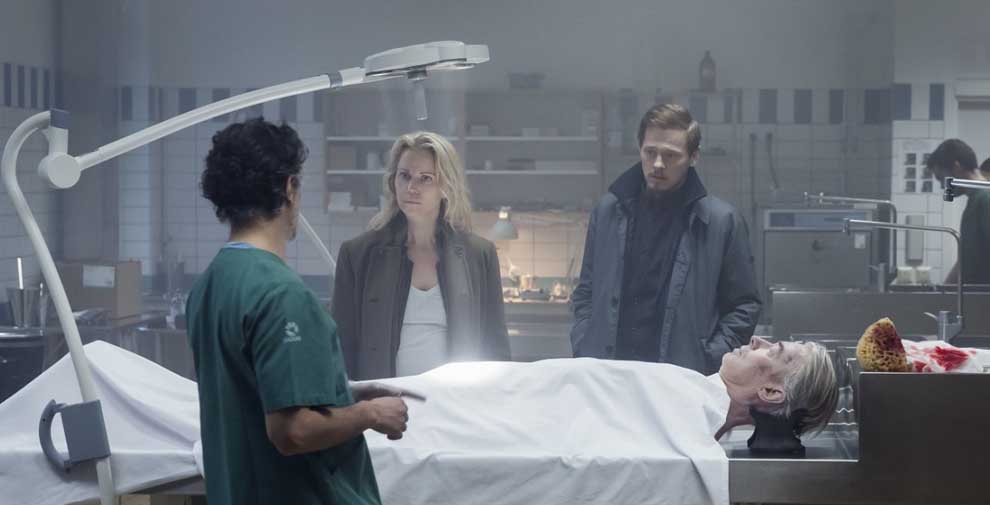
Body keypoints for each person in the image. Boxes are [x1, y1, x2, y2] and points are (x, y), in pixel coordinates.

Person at [186, 118, 410, 505]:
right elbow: (293, 431)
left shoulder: (209, 285)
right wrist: (371, 414)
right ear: (290, 188)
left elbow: (253, 392)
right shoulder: (281, 294)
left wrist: (343, 393)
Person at [570, 104, 761, 374]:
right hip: (607, 374)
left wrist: (710, 358)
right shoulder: (608, 211)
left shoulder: (722, 222)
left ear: (693, 157)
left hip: (681, 378)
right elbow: (585, 292)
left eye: (671, 156)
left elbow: (744, 306)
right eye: (650, 152)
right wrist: (585, 341)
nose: (658, 164)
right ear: (640, 149)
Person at [333, 131, 510, 380]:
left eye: (425, 178)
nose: (411, 188)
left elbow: (496, 348)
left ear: (446, 187)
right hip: (383, 399)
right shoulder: (357, 255)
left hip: (456, 399)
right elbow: (341, 349)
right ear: (393, 181)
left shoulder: (479, 255)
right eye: (404, 176)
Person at [927, 139, 990, 284]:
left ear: (956, 167)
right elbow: (966, 259)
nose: (943, 186)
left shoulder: (985, 199)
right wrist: (945, 290)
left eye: (941, 179)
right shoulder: (975, 200)